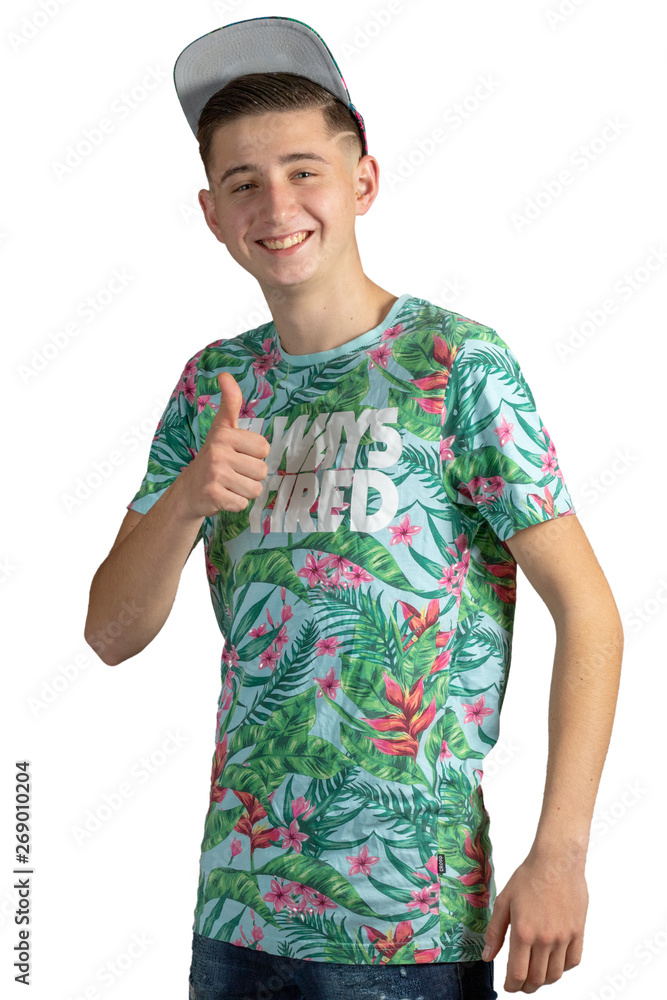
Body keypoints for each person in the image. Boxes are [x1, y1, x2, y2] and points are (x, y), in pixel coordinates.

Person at [84, 15, 624, 1000]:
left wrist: (562, 851)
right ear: (210, 213)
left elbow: (588, 610)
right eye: (242, 182)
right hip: (237, 923)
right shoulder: (212, 383)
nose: (275, 203)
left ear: (362, 183)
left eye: (303, 170)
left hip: (409, 930)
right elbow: (111, 632)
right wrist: (186, 503)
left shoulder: (457, 364)